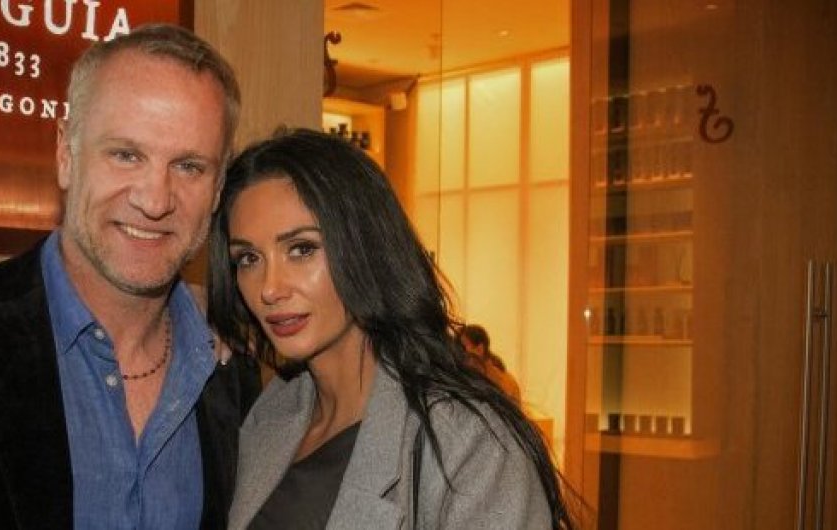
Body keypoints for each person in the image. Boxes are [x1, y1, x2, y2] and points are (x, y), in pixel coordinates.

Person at [0, 24, 252, 529]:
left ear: (218, 187)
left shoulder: (232, 373)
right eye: (126, 155)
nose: (155, 200)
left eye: (188, 166)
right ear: (66, 155)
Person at [207, 128, 575, 528]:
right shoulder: (273, 413)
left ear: (365, 246)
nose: (269, 288)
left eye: (302, 249)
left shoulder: (468, 445)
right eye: (248, 259)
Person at [459, 323, 523, 405]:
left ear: (479, 349)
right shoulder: (469, 376)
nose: (461, 353)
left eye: (463, 347)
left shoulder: (503, 382)